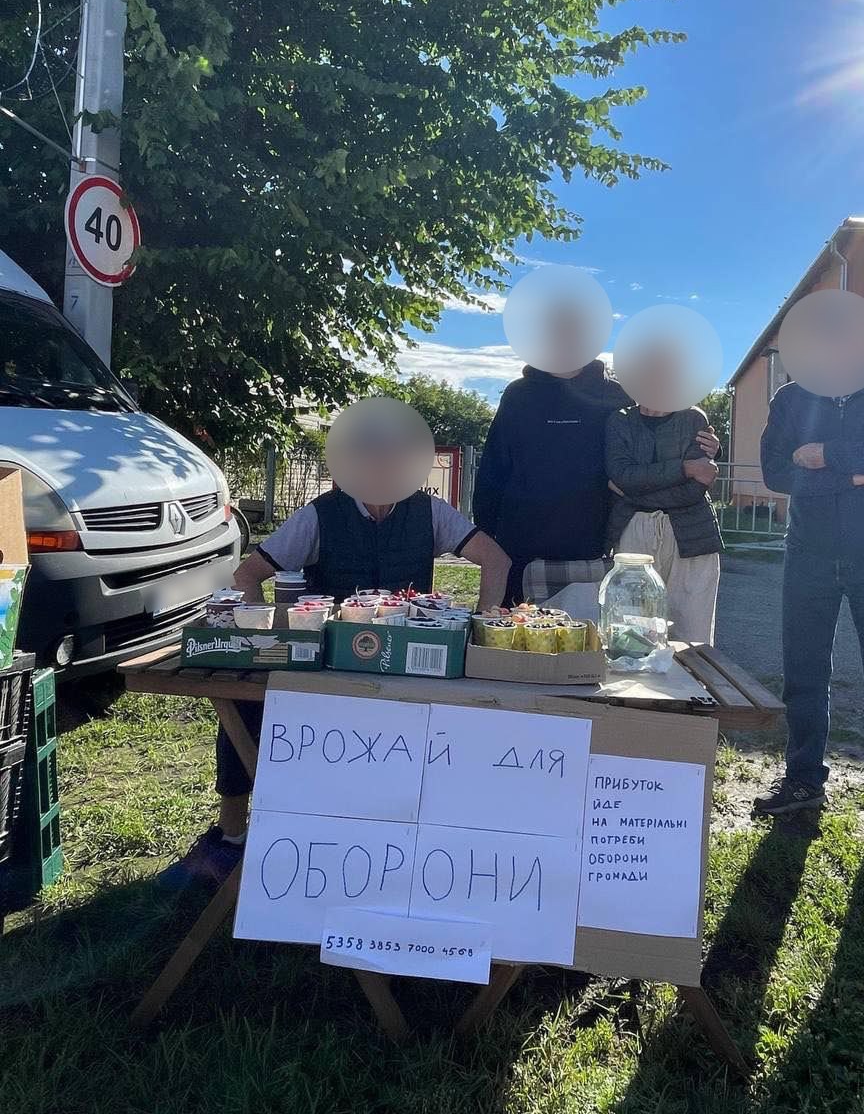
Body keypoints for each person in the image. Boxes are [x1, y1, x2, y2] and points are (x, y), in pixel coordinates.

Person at [160, 486, 510, 888]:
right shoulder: (320, 514)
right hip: (327, 665)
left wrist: (479, 628)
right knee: (242, 703)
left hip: (404, 666)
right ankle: (232, 837)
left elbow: (495, 559)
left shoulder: (430, 511)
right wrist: (271, 633)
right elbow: (248, 574)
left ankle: (425, 838)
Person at [756, 366, 864, 862]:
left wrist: (828, 455)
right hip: (808, 553)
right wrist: (856, 475)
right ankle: (803, 781)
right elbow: (775, 471)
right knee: (803, 675)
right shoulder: (792, 397)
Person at [473, 358, 633, 611]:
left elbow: (645, 451)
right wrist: (486, 532)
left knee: (586, 630)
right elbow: (494, 467)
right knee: (514, 629)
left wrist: (700, 442)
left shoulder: (618, 396)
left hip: (592, 549)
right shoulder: (518, 395)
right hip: (519, 548)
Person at [605, 403, 722, 644]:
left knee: (691, 637)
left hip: (692, 535)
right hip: (634, 531)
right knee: (634, 634)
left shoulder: (694, 418)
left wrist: (633, 492)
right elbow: (623, 475)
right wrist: (685, 468)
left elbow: (695, 489)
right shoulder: (620, 420)